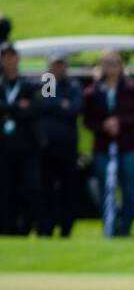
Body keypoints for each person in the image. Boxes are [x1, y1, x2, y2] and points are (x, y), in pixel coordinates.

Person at [82, 49, 134, 237]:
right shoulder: (93, 92)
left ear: (120, 66)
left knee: (128, 188)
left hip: (128, 145)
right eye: (107, 63)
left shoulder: (131, 89)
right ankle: (109, 228)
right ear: (101, 66)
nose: (111, 67)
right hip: (103, 146)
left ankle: (125, 229)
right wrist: (104, 125)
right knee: (106, 188)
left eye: (114, 63)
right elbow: (87, 120)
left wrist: (120, 122)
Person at [33, 50, 83, 238]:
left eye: (61, 64)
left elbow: (75, 109)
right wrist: (61, 104)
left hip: (67, 146)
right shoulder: (47, 83)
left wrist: (58, 105)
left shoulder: (73, 85)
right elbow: (43, 105)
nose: (58, 68)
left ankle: (66, 227)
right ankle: (46, 226)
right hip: (46, 146)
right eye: (55, 64)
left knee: (67, 189)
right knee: (45, 188)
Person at [0, 42, 40, 236]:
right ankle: (7, 229)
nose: (9, 61)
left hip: (26, 148)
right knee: (5, 190)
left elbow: (36, 108)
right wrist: (17, 107)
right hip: (4, 149)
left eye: (12, 56)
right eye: (5, 57)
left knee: (28, 188)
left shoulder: (29, 85)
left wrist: (9, 111)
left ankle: (26, 227)